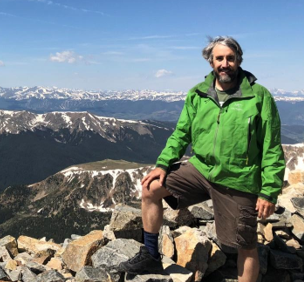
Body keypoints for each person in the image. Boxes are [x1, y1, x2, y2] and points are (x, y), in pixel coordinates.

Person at [119, 36, 285, 282]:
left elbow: (272, 147)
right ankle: (151, 256)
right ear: (211, 62)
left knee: (246, 244)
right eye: (219, 58)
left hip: (238, 178)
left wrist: (268, 192)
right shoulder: (198, 94)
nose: (225, 63)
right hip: (201, 169)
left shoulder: (259, 97)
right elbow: (181, 132)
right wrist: (163, 164)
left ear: (239, 60)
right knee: (150, 189)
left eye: (230, 58)